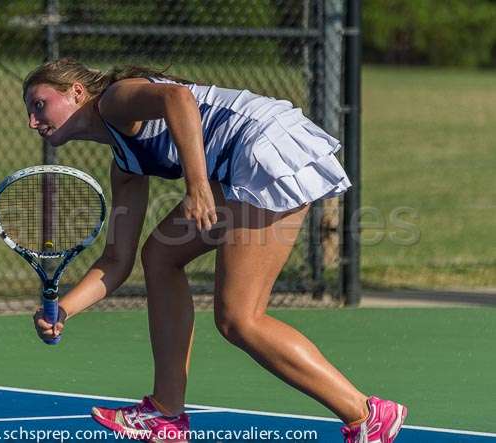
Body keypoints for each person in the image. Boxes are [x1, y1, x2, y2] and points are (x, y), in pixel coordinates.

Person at [24, 58, 407, 443]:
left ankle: (367, 415)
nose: (32, 121)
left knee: (239, 319)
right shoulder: (126, 164)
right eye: (29, 111)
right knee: (158, 256)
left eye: (39, 104)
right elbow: (116, 261)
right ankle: (166, 414)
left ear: (76, 92)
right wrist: (65, 311)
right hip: (248, 157)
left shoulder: (114, 101)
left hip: (263, 146)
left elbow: (179, 99)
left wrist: (198, 186)